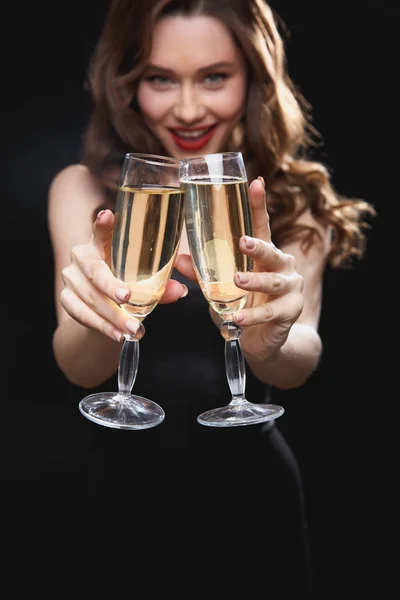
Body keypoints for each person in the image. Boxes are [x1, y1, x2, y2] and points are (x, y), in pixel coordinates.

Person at [47, 0, 375, 596]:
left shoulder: (296, 204)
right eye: (160, 78)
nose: (189, 109)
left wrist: (268, 337)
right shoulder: (83, 190)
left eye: (215, 77)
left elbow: (296, 363)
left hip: (257, 502)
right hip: (120, 500)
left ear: (253, 78)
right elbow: (78, 367)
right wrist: (99, 311)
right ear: (127, 82)